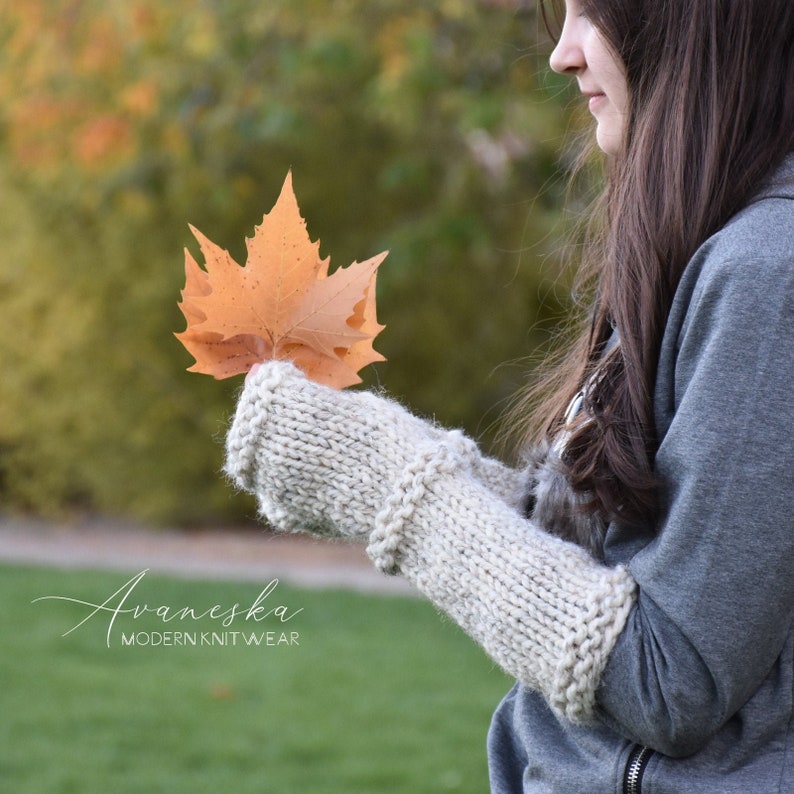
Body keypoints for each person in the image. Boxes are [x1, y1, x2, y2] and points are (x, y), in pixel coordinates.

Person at [223, 0, 794, 790]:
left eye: (593, 13)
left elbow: (673, 678)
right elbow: (618, 571)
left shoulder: (768, 273)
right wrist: (377, 451)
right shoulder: (710, 248)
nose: (562, 53)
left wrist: (393, 484)